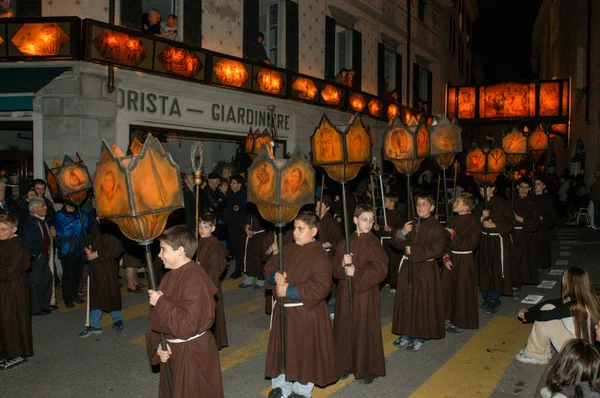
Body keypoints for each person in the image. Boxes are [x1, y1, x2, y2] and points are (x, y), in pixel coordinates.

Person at [265, 211, 337, 398]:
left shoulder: (319, 255)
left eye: (300, 229)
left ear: (314, 231)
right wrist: (275, 276)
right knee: (283, 350)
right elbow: (270, 267)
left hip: (305, 314)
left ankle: (301, 390)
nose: (295, 232)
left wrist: (288, 291)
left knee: (303, 353)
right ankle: (282, 387)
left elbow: (322, 287)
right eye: (295, 228)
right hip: (284, 313)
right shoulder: (288, 248)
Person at [145, 226, 223, 398]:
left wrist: (161, 302)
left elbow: (189, 324)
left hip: (192, 354)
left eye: (163, 249)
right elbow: (156, 321)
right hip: (174, 351)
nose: (159, 255)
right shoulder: (168, 276)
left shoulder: (195, 280)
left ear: (180, 251)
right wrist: (159, 345)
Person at [333, 204, 388, 384]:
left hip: (365, 294)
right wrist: (342, 263)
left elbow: (380, 269)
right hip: (345, 294)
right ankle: (345, 364)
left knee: (365, 329)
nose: (369, 224)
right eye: (365, 219)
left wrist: (356, 272)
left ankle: (367, 367)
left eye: (372, 220)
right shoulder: (345, 242)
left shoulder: (373, 243)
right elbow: (333, 270)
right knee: (345, 327)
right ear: (355, 220)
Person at [391, 193, 447, 351]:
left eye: (424, 204)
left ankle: (419, 335)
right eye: (418, 204)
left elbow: (438, 249)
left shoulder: (436, 227)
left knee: (421, 302)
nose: (420, 207)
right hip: (407, 267)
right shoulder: (410, 223)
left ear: (432, 207)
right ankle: (406, 333)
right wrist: (402, 232)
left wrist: (414, 250)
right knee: (406, 300)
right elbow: (397, 243)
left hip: (424, 269)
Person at [516, 266, 600, 365]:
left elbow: (545, 316)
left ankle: (536, 354)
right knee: (548, 307)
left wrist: (527, 315)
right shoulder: (590, 301)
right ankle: (539, 351)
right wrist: (529, 311)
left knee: (546, 314)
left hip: (576, 355)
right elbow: (553, 302)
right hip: (585, 351)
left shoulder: (575, 306)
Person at [441, 193, 482, 333]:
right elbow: (445, 241)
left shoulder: (473, 221)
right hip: (451, 258)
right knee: (447, 288)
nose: (454, 204)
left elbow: (471, 243)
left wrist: (454, 235)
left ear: (465, 206)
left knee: (461, 290)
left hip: (464, 259)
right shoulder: (452, 219)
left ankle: (460, 321)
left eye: (457, 202)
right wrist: (445, 256)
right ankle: (447, 315)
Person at [79, 218, 125, 337]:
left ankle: (117, 319)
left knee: (111, 293)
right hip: (95, 269)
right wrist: (88, 251)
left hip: (108, 269)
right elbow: (93, 245)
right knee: (96, 295)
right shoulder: (97, 230)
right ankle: (95, 324)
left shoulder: (113, 230)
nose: (96, 218)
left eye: (100, 216)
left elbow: (115, 248)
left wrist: (96, 254)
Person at [473, 184, 515, 315]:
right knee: (485, 268)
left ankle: (495, 299)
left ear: (493, 189)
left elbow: (511, 221)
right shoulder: (480, 205)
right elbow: (474, 222)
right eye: (480, 189)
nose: (482, 192)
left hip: (498, 240)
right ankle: (486, 296)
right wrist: (481, 219)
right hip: (485, 240)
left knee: (497, 268)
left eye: (485, 189)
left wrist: (495, 224)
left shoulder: (502, 203)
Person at [0, 214, 33, 370]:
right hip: (4, 288)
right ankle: (4, 352)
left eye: (3, 229)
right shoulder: (4, 243)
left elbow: (10, 271)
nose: (0, 232)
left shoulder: (17, 246)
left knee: (12, 319)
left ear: (14, 229)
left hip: (13, 290)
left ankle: (16, 353)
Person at [197, 213, 228, 350]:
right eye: (200, 227)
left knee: (212, 312)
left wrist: (201, 274)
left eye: (205, 227)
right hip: (200, 282)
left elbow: (215, 268)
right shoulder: (200, 241)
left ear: (213, 228)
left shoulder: (214, 245)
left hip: (210, 284)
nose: (202, 230)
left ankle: (215, 342)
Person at [19, 197, 54, 316]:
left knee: (46, 279)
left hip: (44, 255)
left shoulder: (42, 220)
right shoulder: (30, 222)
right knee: (35, 282)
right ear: (34, 209)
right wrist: (36, 254)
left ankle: (45, 305)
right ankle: (35, 308)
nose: (46, 208)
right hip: (37, 256)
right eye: (42, 206)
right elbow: (28, 240)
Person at [511, 177, 541, 296]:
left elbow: (535, 222)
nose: (523, 190)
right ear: (517, 187)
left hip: (523, 235)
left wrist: (519, 219)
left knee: (520, 261)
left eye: (526, 188)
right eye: (521, 187)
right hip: (511, 233)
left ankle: (516, 284)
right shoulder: (511, 200)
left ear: (529, 189)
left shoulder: (531, 203)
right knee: (510, 260)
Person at [55, 203, 88, 308]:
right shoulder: (59, 215)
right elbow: (66, 231)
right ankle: (67, 298)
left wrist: (72, 224)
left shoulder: (81, 212)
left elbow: (85, 226)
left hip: (80, 248)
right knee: (68, 274)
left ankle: (74, 294)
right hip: (67, 249)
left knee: (78, 273)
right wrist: (78, 223)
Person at [373, 191, 405, 296]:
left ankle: (394, 285)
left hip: (393, 242)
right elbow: (382, 229)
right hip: (384, 241)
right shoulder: (385, 213)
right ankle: (385, 281)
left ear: (392, 202)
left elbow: (402, 230)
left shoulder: (398, 214)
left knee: (393, 263)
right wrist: (378, 229)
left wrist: (392, 229)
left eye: (386, 200)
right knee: (384, 262)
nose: (384, 202)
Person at [239, 211, 268, 289]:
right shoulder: (251, 204)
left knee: (259, 257)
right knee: (249, 256)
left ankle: (261, 279)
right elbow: (248, 217)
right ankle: (250, 277)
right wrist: (247, 227)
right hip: (251, 235)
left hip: (262, 235)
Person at [533, 177, 557, 270]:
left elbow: (552, 217)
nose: (536, 186)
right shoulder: (530, 199)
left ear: (543, 186)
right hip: (531, 229)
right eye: (535, 184)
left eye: (538, 184)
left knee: (540, 251)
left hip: (542, 230)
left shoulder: (547, 200)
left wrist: (543, 218)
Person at [226, 175, 247, 280]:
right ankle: (238, 268)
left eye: (233, 183)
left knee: (240, 250)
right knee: (233, 248)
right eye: (231, 183)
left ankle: (239, 270)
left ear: (239, 184)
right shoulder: (229, 195)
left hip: (240, 227)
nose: (231, 185)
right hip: (231, 226)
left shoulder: (243, 196)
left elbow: (243, 212)